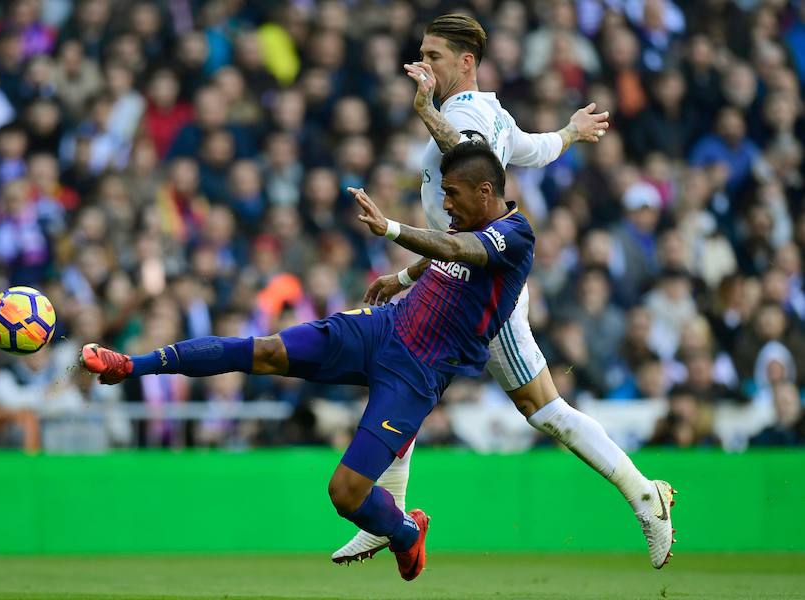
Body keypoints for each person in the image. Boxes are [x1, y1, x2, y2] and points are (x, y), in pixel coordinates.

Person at [82, 142, 541, 581]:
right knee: (263, 350)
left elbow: (462, 250)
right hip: (381, 328)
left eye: (452, 194)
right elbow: (449, 244)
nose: (446, 203)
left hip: (418, 372)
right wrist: (402, 276)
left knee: (344, 494)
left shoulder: (515, 236)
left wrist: (392, 230)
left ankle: (405, 531)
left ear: (485, 191)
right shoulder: (468, 218)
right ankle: (132, 365)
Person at [331, 13, 676, 570]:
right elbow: (531, 151)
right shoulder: (494, 111)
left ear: (466, 62)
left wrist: (424, 112)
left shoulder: (463, 113)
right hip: (457, 275)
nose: (422, 65)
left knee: (541, 408)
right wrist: (570, 132)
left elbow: (471, 158)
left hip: (486, 294)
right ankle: (387, 515)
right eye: (421, 53)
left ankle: (645, 495)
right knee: (405, 369)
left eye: (434, 56)